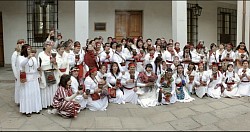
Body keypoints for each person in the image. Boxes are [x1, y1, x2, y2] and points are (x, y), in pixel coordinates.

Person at [19, 44, 42, 117]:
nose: (30, 50)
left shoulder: (34, 58)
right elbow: (22, 65)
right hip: (27, 77)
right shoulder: (21, 58)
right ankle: (27, 110)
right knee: (28, 94)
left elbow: (36, 67)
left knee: (34, 93)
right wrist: (28, 58)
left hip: (34, 77)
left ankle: (36, 108)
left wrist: (39, 69)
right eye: (28, 49)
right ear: (24, 50)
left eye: (30, 49)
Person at [38, 40, 59, 108]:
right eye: (48, 45)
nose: (50, 47)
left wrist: (55, 63)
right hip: (45, 73)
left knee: (53, 89)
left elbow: (59, 61)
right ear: (45, 46)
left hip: (53, 72)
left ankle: (52, 103)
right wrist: (49, 61)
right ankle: (45, 104)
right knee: (46, 89)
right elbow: (40, 64)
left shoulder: (54, 53)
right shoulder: (41, 54)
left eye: (51, 45)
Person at [11, 39, 25, 105]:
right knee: (18, 86)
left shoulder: (23, 52)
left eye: (23, 43)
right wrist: (15, 75)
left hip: (23, 71)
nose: (22, 44)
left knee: (23, 86)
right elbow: (13, 65)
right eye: (21, 43)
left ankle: (23, 99)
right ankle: (18, 100)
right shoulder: (15, 53)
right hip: (17, 71)